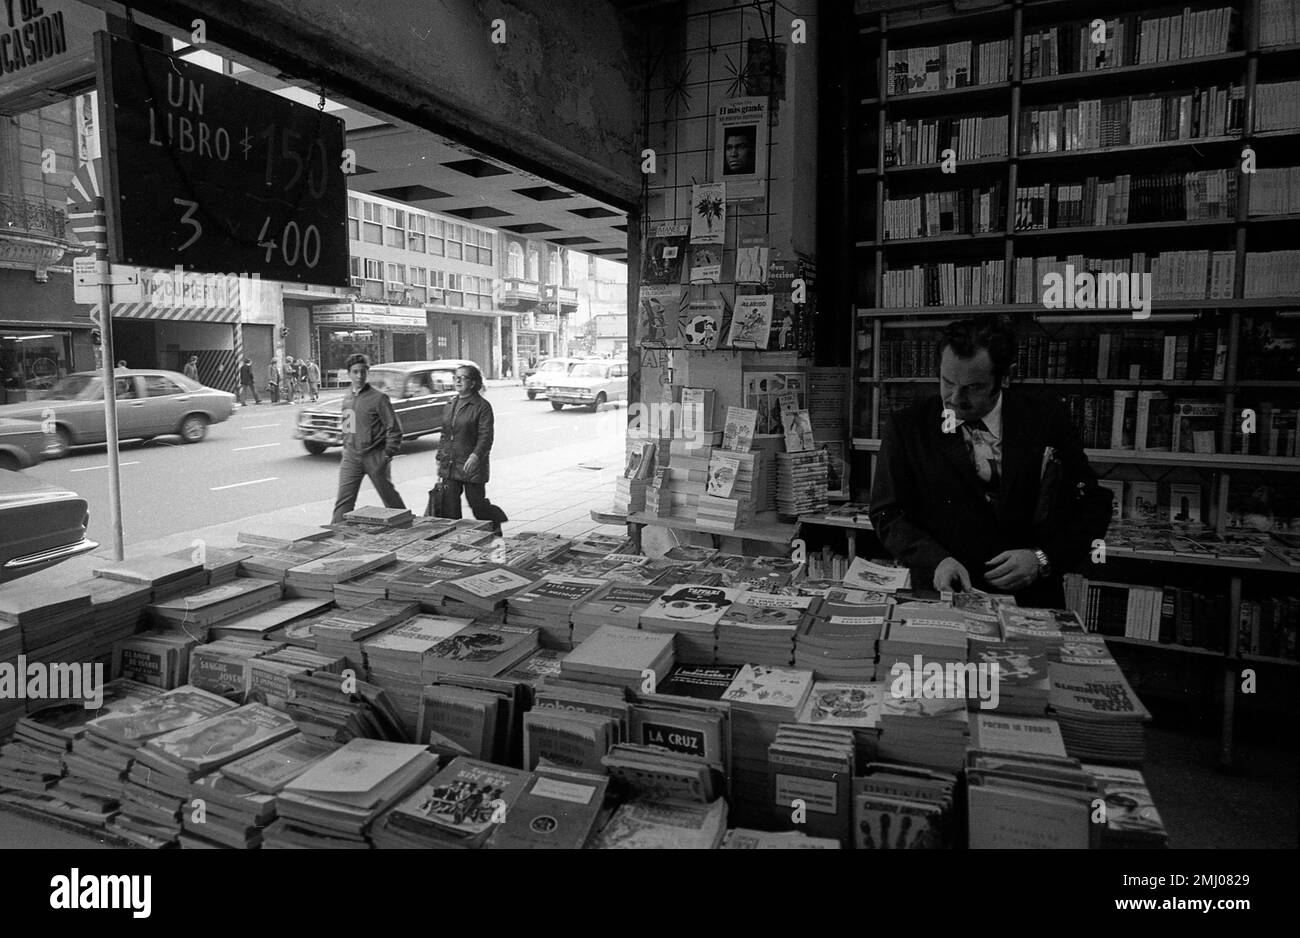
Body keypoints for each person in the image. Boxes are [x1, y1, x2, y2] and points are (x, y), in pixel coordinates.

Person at [868, 316, 1112, 608]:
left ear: (1005, 376)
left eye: (973, 387)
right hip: (941, 594)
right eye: (947, 382)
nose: (955, 399)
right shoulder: (908, 426)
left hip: (1030, 599)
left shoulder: (1047, 420)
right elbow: (887, 513)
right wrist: (936, 560)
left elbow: (1092, 507)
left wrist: (1042, 558)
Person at [331, 353, 406, 524]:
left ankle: (406, 528)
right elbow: (347, 426)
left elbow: (394, 429)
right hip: (351, 458)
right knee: (344, 501)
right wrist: (346, 448)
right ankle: (334, 535)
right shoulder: (348, 397)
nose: (359, 376)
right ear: (348, 373)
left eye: (363, 372)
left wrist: (386, 455)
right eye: (355, 372)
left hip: (375, 456)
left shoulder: (379, 398)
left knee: (390, 499)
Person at [436, 363, 508, 535]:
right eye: (456, 377)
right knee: (450, 508)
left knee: (477, 505)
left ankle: (494, 529)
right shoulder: (450, 404)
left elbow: (486, 437)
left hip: (471, 465)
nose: (458, 380)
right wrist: (440, 458)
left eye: (463, 377)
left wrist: (475, 457)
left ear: (473, 383)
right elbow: (445, 435)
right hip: (451, 465)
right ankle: (455, 540)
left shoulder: (482, 406)